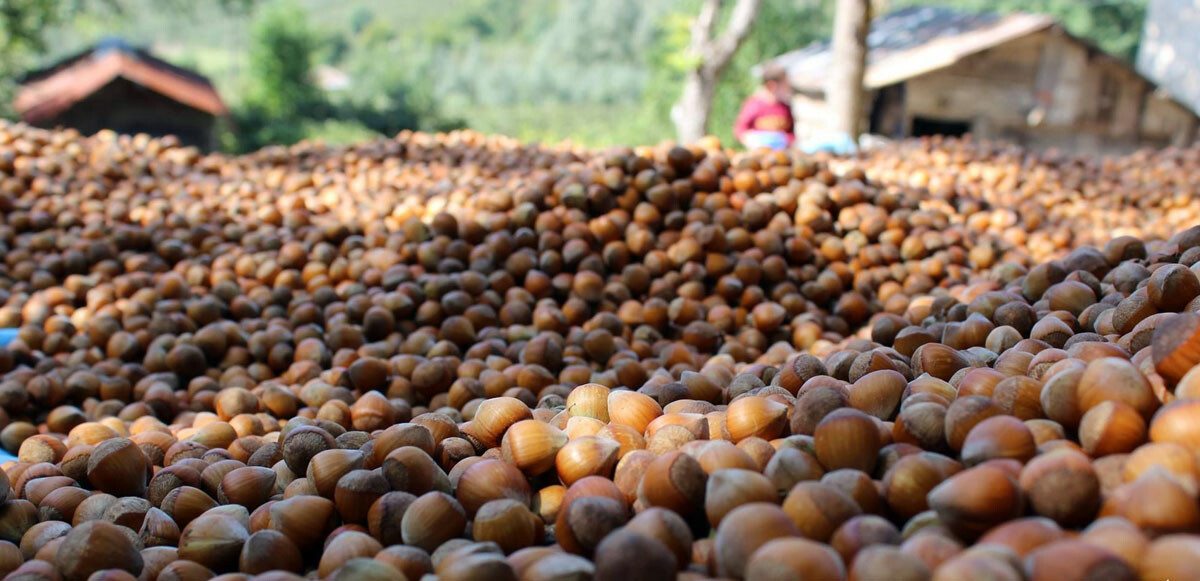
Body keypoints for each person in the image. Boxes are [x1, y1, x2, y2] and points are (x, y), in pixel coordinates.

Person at [734, 63, 795, 151]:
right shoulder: (754, 105)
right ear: (772, 85)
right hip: (758, 156)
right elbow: (740, 129)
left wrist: (786, 140)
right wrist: (750, 140)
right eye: (785, 84)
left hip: (781, 156)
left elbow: (791, 134)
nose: (789, 87)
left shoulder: (785, 108)